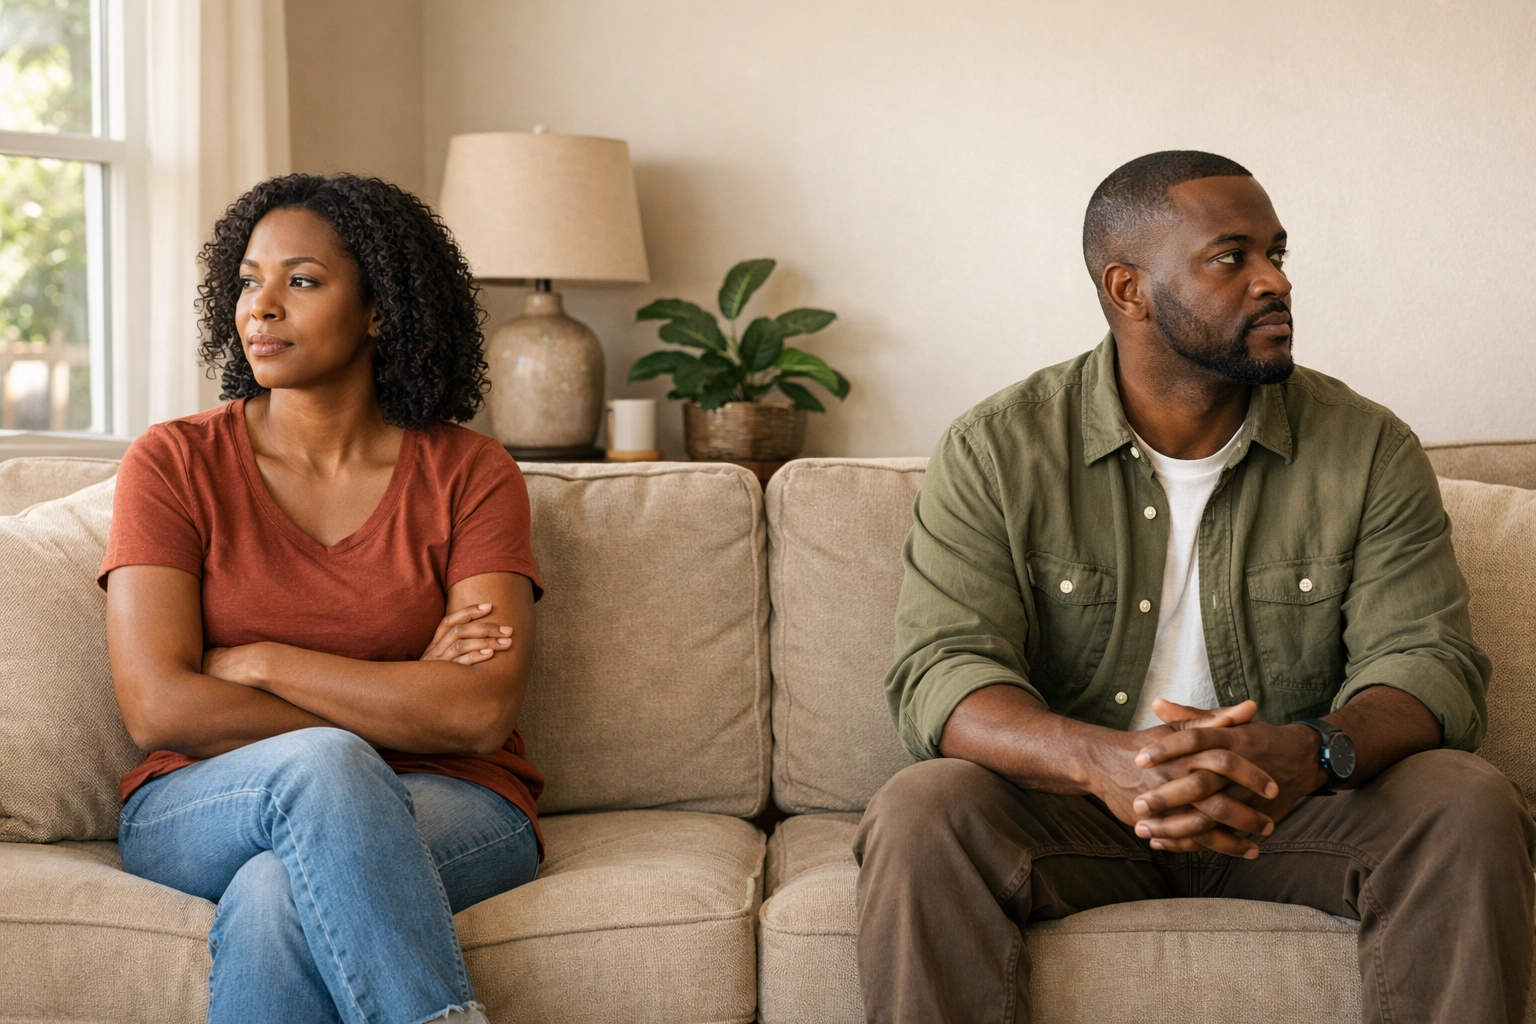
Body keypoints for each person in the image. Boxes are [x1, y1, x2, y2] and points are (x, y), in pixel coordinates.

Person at [855, 151, 1536, 1024]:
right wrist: (1104, 762)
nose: (1273, 283)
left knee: (1466, 798)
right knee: (922, 809)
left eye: (1278, 256)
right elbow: (942, 672)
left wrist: (1310, 750)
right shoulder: (997, 449)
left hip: (1297, 810)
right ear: (1128, 288)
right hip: (1080, 815)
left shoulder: (1367, 447)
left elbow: (1428, 661)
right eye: (1233, 257)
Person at [102, 173, 544, 1024]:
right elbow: (158, 705)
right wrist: (401, 690)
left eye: (300, 280)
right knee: (325, 768)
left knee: (277, 894)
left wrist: (262, 664)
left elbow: (477, 715)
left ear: (380, 309)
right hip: (202, 799)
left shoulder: (470, 474)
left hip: (457, 797)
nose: (260, 307)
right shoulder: (173, 464)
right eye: (247, 281)